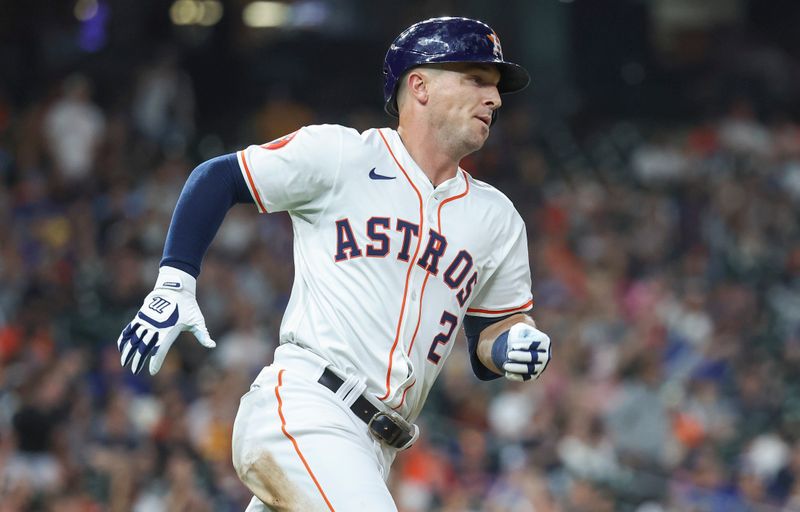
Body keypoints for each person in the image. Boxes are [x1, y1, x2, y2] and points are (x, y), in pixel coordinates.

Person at [116, 17, 553, 511]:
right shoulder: (342, 155)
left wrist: (513, 343)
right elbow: (218, 178)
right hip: (308, 407)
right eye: (477, 79)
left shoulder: (497, 218)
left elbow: (488, 340)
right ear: (420, 85)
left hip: (375, 449)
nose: (494, 98)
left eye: (496, 87)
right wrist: (173, 283)